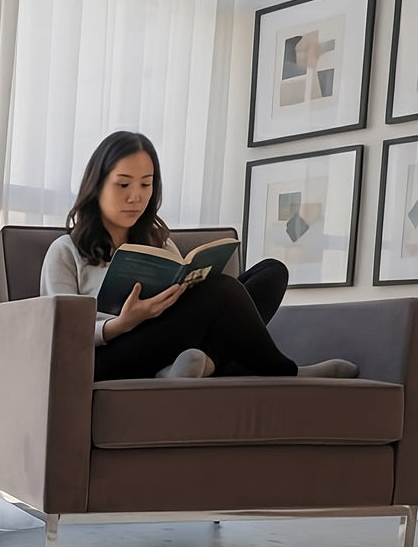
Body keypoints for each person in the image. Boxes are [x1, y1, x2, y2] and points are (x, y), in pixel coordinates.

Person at [40, 131, 358, 381]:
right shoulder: (66, 251)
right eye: (123, 184)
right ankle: (284, 372)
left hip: (169, 341)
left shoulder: (159, 243)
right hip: (105, 358)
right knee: (223, 291)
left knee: (270, 273)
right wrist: (121, 323)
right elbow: (62, 334)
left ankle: (193, 366)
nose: (136, 196)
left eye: (146, 184)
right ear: (97, 185)